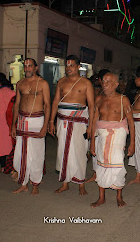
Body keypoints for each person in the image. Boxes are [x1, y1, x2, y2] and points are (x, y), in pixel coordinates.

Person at [49, 55, 94, 195]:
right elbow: (55, 102)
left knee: (79, 151)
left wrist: (91, 126)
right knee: (63, 150)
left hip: (79, 122)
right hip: (62, 121)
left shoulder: (86, 83)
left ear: (78, 66)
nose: (69, 68)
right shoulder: (61, 82)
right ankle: (65, 182)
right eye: (67, 65)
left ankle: (81, 184)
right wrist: (51, 121)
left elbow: (92, 105)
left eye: (72, 65)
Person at [90, 72, 135, 207]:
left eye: (109, 82)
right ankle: (101, 197)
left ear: (116, 84)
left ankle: (119, 196)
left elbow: (131, 122)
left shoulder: (123, 100)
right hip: (102, 136)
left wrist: (132, 143)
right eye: (103, 81)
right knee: (101, 164)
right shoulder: (98, 99)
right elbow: (94, 121)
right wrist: (92, 141)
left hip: (118, 135)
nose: (105, 84)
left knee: (117, 164)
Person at [11, 59, 50, 195]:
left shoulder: (42, 83)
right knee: (20, 154)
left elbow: (47, 105)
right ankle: (23, 183)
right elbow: (16, 104)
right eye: (25, 66)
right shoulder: (20, 83)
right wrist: (13, 125)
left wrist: (45, 125)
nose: (27, 68)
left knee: (37, 154)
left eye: (30, 66)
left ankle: (35, 184)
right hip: (22, 120)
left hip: (37, 120)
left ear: (35, 68)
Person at [86, 69, 110, 184]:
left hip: (108, 127)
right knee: (95, 151)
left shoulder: (113, 94)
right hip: (97, 124)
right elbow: (93, 111)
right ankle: (96, 174)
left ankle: (104, 175)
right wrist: (91, 126)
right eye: (103, 80)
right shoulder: (97, 93)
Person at [0, 73, 15, 172]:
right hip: (10, 119)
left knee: (0, 143)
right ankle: (12, 165)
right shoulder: (12, 92)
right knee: (10, 142)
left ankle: (3, 166)